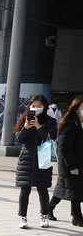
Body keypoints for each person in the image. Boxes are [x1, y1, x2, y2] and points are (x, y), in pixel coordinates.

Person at [13, 95, 57, 229]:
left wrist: (38, 126)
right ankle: (23, 217)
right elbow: (19, 139)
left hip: (43, 157)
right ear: (29, 106)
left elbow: (50, 138)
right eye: (33, 106)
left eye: (39, 106)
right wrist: (26, 127)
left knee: (42, 189)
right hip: (26, 158)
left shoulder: (50, 121)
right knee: (24, 190)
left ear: (44, 107)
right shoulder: (25, 118)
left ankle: (44, 215)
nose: (36, 108)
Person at [48, 95, 83, 226]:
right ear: (76, 109)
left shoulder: (80, 124)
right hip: (69, 163)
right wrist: (72, 166)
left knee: (67, 189)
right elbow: (63, 148)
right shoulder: (70, 125)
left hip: (78, 163)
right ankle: (77, 217)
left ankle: (49, 208)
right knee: (73, 189)